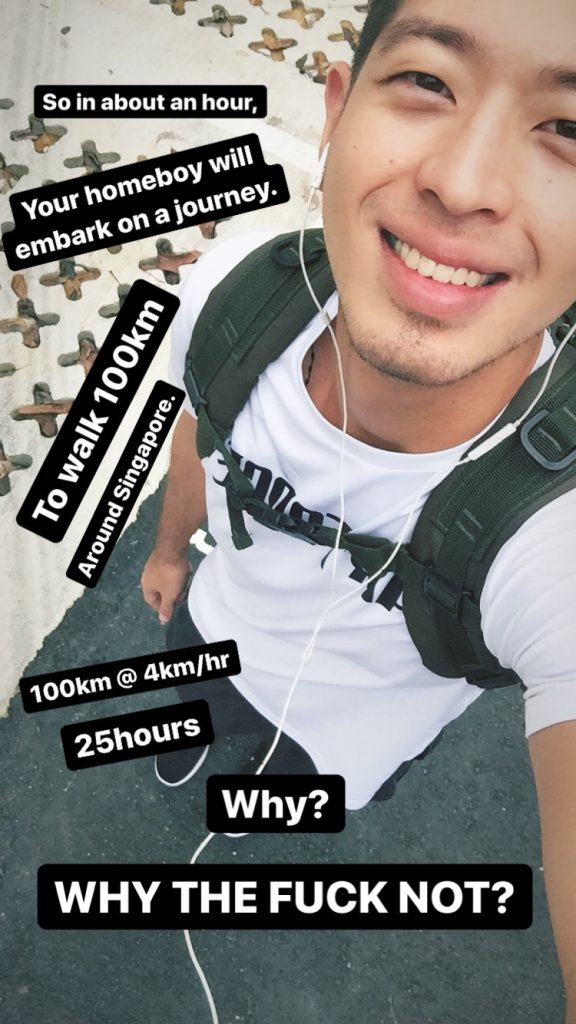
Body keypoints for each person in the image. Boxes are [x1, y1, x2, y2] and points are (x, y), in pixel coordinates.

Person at [142, 0, 576, 1018]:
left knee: (279, 796)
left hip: (350, 741)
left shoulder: (554, 536)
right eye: (428, 80)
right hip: (208, 627)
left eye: (569, 128)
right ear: (336, 114)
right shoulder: (237, 290)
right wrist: (168, 551)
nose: (462, 184)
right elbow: (198, 423)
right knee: (186, 721)